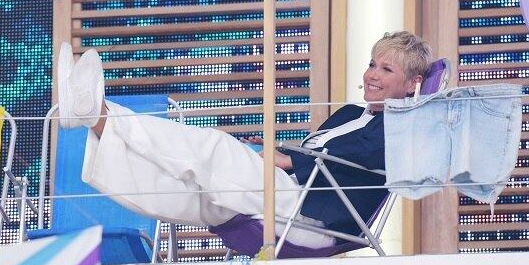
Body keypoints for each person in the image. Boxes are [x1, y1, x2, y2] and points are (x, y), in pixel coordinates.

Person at [57, 31, 433, 249]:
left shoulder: (402, 130)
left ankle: (98, 112)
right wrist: (282, 150)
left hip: (312, 216)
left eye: (386, 69)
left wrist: (290, 160)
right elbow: (325, 150)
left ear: (413, 84)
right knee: (185, 188)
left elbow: (364, 154)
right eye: (372, 64)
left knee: (214, 149)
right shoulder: (352, 113)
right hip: (289, 194)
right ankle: (94, 117)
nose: (372, 75)